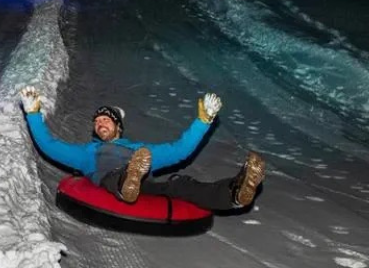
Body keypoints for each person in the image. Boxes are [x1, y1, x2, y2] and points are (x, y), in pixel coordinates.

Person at [20, 87, 265, 211]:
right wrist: (32, 114)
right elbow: (50, 147)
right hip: (112, 178)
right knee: (114, 177)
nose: (100, 123)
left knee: (181, 184)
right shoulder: (87, 153)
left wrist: (204, 120)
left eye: (106, 120)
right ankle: (127, 180)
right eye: (96, 122)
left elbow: (180, 150)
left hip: (143, 177)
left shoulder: (140, 149)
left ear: (118, 127)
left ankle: (235, 191)